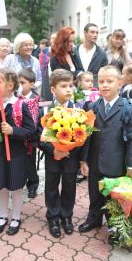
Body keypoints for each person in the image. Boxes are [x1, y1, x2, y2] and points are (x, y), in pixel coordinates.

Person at [78, 65, 132, 242]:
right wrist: (83, 160)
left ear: (120, 83)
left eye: (109, 81)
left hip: (116, 162)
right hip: (95, 160)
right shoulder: (92, 106)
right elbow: (87, 136)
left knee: (113, 196)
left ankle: (114, 225)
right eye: (101, 81)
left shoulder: (129, 109)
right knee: (94, 192)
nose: (104, 85)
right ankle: (94, 218)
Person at [0, 69, 35, 235]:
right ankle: (2, 215)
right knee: (2, 186)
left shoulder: (20, 105)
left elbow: (30, 131)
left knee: (15, 186)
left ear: (10, 85)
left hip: (16, 154)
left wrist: (13, 131)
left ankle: (16, 216)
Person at [38, 69, 82, 238]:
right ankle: (53, 217)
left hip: (71, 158)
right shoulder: (45, 111)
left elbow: (83, 135)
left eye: (71, 85)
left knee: (70, 186)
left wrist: (70, 150)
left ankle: (66, 216)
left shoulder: (78, 110)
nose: (69, 89)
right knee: (51, 187)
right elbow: (39, 137)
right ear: (53, 90)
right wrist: (54, 150)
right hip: (52, 157)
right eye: (64, 86)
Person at [18, 69, 40, 198]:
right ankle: (19, 183)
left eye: (23, 82)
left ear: (32, 84)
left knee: (30, 164)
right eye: (18, 82)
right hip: (19, 136)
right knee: (19, 163)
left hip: (31, 139)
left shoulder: (37, 99)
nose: (20, 85)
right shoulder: (16, 98)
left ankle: (33, 185)